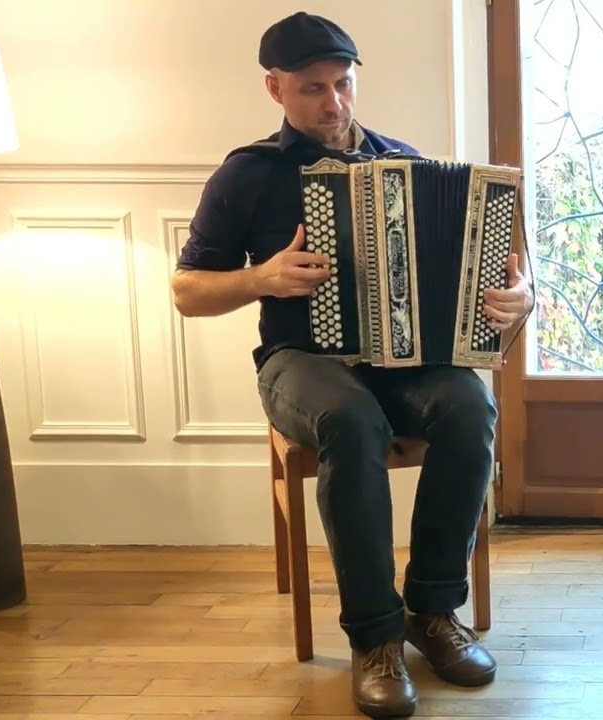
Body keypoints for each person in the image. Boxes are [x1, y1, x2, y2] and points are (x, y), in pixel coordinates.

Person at [170, 13, 533, 719]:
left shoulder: (406, 164)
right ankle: (375, 639)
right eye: (313, 89)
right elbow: (186, 291)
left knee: (469, 406)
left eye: (343, 84)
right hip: (298, 364)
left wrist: (518, 297)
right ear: (275, 88)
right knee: (349, 419)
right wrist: (262, 278)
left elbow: (492, 275)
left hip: (403, 363)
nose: (333, 103)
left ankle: (430, 612)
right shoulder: (248, 174)